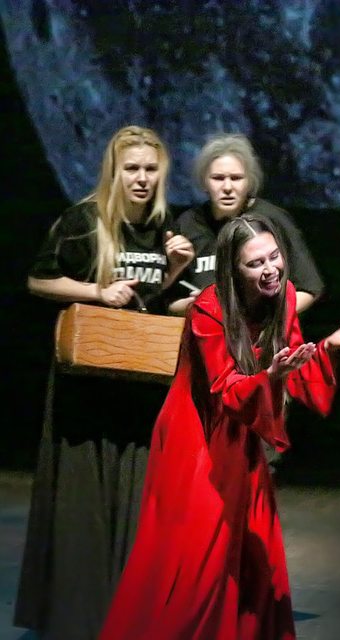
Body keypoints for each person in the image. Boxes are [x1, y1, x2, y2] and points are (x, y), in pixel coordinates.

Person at [99, 214, 340, 640]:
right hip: (196, 437)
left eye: (274, 256)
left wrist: (329, 346)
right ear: (233, 269)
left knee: (248, 551)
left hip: (239, 435)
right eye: (255, 263)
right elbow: (225, 388)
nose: (270, 269)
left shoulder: (283, 296)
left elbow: (293, 365)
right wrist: (271, 376)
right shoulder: (208, 310)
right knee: (197, 560)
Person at [14, 125, 194, 640]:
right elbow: (38, 279)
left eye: (150, 169)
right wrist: (98, 291)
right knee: (85, 496)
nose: (141, 178)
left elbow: (153, 304)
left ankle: (130, 607)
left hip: (141, 381)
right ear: (113, 171)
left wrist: (175, 270)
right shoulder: (83, 220)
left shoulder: (166, 229)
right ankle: (80, 613)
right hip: (88, 382)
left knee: (139, 494)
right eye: (131, 168)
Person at [170, 133, 324, 315]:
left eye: (236, 178)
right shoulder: (188, 224)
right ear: (204, 182)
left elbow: (309, 287)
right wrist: (195, 305)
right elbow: (168, 301)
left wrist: (267, 321)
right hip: (205, 327)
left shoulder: (272, 219)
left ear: (249, 182)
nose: (227, 187)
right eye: (218, 178)